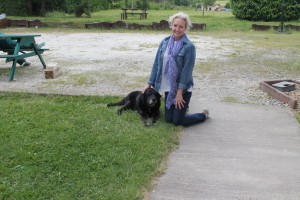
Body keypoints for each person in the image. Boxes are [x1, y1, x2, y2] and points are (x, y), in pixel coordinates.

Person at [142, 12, 209, 126]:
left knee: (177, 121)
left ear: (185, 28)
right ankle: (183, 108)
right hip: (170, 87)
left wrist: (179, 93)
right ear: (171, 25)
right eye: (175, 25)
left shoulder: (189, 47)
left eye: (181, 27)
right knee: (168, 119)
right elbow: (157, 64)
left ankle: (203, 115)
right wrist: (149, 83)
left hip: (183, 89)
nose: (177, 29)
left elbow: (186, 72)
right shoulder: (164, 43)